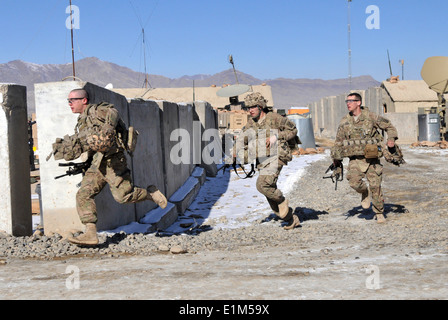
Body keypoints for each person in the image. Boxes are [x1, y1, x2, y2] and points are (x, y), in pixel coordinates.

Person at [51, 88, 167, 245]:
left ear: (83, 100)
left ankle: (150, 194)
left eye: (72, 100)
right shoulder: (82, 121)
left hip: (113, 161)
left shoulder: (96, 110)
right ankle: (91, 233)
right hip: (97, 164)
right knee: (83, 194)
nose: (70, 104)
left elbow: (113, 111)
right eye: (68, 101)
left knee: (123, 196)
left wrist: (109, 128)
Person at [234, 92, 301, 230]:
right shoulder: (251, 123)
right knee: (268, 191)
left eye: (253, 107)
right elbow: (243, 137)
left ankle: (282, 201)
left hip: (278, 156)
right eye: (248, 108)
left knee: (262, 185)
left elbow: (293, 130)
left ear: (260, 106)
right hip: (263, 159)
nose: (250, 110)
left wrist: (276, 136)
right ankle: (290, 218)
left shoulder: (274, 118)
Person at [331, 92, 398, 223]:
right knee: (354, 182)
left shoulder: (371, 117)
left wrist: (391, 139)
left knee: (375, 186)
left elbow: (389, 127)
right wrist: (336, 158)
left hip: (372, 159)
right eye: (347, 101)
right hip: (355, 159)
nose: (348, 104)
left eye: (351, 101)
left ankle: (379, 212)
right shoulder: (345, 121)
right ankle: (364, 192)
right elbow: (338, 141)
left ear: (359, 103)